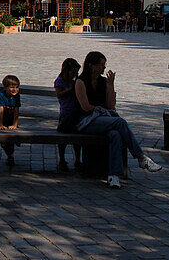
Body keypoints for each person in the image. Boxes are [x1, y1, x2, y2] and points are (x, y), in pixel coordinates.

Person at [74, 51, 163, 188]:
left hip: (103, 119)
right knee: (120, 122)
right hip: (87, 121)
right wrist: (101, 110)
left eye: (105, 65)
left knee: (115, 135)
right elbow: (85, 107)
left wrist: (110, 85)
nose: (104, 68)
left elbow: (111, 105)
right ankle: (141, 157)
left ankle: (113, 175)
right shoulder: (81, 82)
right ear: (92, 65)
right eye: (101, 65)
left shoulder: (103, 82)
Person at [54, 58, 82, 172]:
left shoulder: (76, 81)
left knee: (78, 138)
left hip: (76, 112)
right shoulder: (60, 81)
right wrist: (70, 89)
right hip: (66, 113)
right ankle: (62, 159)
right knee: (63, 138)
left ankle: (77, 159)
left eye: (76, 73)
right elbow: (59, 94)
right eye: (73, 72)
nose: (74, 75)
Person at [0, 74, 21, 168]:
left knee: (12, 137)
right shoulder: (1, 96)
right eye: (12, 87)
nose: (14, 90)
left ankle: (11, 154)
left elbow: (16, 110)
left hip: (10, 120)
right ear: (5, 87)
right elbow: (0, 111)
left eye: (17, 87)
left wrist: (15, 124)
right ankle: (9, 155)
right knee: (4, 139)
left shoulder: (17, 96)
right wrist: (0, 125)